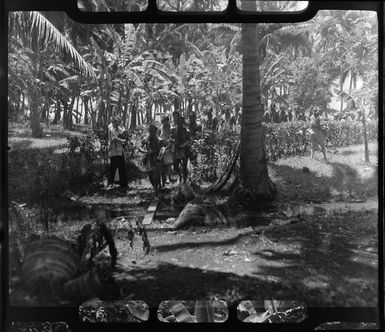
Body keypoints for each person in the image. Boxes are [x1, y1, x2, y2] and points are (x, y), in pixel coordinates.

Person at [139, 123, 162, 194]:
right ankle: (157, 187)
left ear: (155, 131)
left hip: (157, 159)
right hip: (149, 160)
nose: (152, 132)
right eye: (150, 131)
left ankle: (156, 189)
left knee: (156, 175)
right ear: (149, 131)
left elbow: (163, 149)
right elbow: (139, 148)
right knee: (150, 177)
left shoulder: (159, 140)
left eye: (153, 131)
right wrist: (146, 151)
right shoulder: (146, 139)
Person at [107, 116, 128, 189]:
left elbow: (123, 134)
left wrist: (125, 134)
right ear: (113, 122)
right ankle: (110, 184)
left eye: (118, 122)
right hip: (114, 150)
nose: (117, 123)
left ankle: (123, 184)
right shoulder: (111, 129)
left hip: (120, 150)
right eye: (116, 121)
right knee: (113, 168)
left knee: (122, 167)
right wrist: (123, 140)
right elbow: (114, 138)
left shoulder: (119, 128)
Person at [171, 112, 191, 183]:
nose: (179, 122)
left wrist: (182, 145)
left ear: (182, 122)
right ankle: (180, 176)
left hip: (184, 150)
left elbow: (189, 140)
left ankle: (184, 181)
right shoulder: (174, 129)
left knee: (184, 167)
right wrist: (173, 141)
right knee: (175, 166)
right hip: (176, 149)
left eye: (180, 121)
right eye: (178, 121)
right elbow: (172, 138)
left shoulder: (186, 130)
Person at [158, 115, 175, 187]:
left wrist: (168, 144)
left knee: (168, 163)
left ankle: (168, 178)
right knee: (163, 163)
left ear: (167, 121)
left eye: (164, 121)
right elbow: (159, 135)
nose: (163, 122)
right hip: (162, 146)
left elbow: (172, 138)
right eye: (162, 121)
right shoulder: (161, 127)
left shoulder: (171, 128)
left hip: (168, 146)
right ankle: (166, 177)